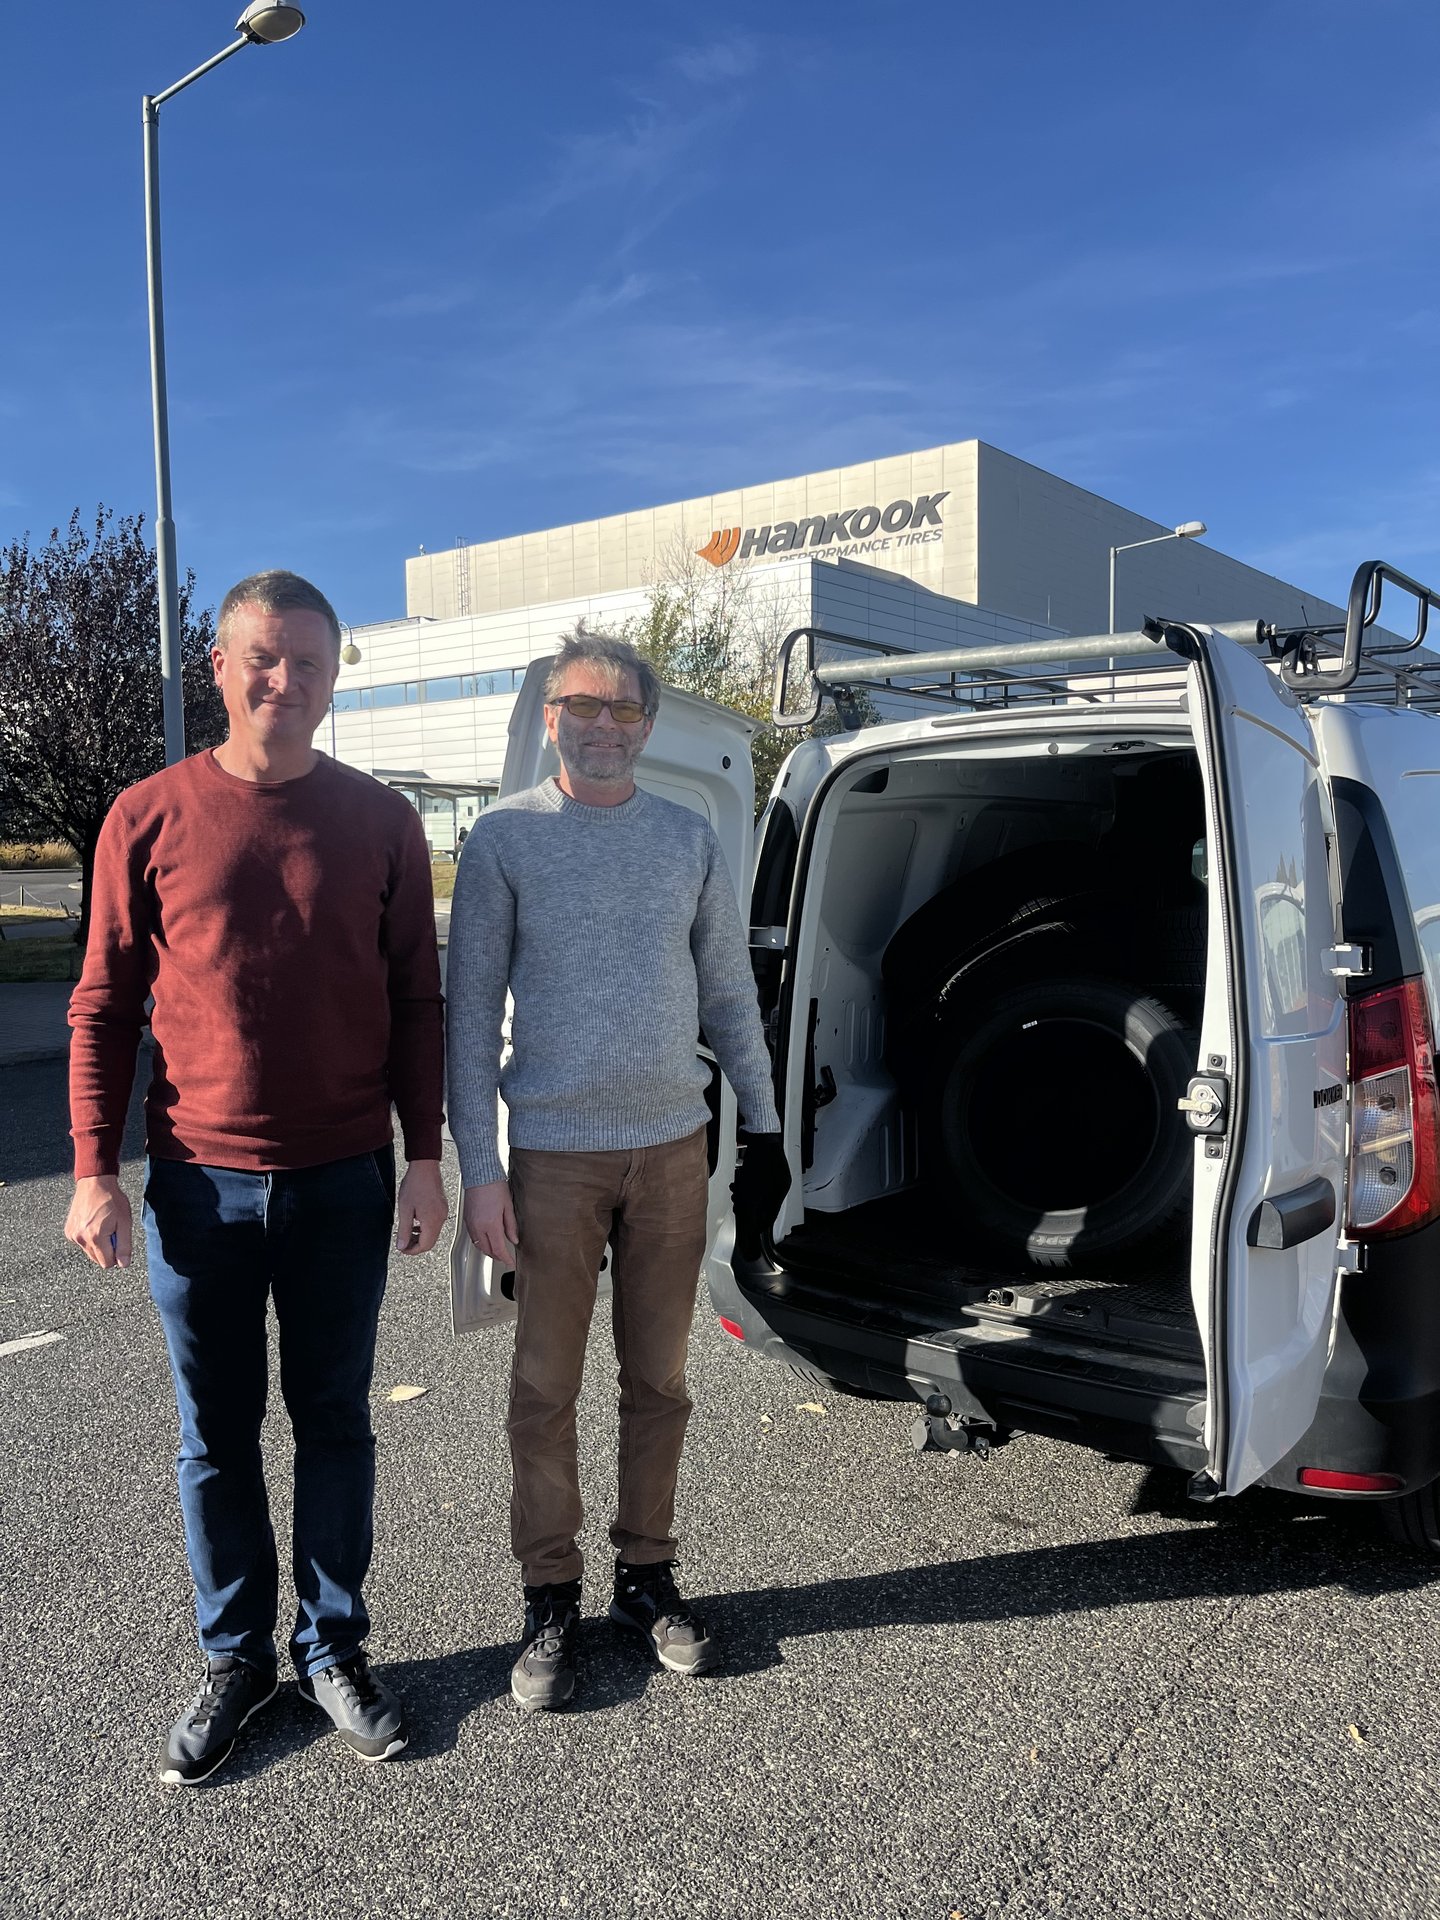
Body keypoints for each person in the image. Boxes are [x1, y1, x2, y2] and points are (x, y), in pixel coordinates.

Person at [64, 570, 447, 1785]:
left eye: (310, 662)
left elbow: (417, 1001)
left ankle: (331, 1648)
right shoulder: (147, 815)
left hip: (343, 1177)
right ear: (220, 668)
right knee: (216, 1436)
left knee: (334, 1421)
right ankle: (236, 1660)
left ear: (334, 679)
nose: (287, 680)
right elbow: (102, 1005)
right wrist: (92, 1169)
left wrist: (425, 1157)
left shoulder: (381, 822)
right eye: (264, 658)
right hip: (198, 1185)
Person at [446, 625, 791, 1711]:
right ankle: (549, 1594)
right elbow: (469, 1019)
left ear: (647, 725)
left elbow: (728, 993)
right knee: (543, 1387)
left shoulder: (689, 838)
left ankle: (646, 1575)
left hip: (672, 1154)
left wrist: (767, 1132)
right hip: (553, 1159)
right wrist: (479, 1171)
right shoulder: (504, 838)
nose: (603, 725)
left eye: (623, 709)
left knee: (661, 1383)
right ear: (552, 717)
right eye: (582, 706)